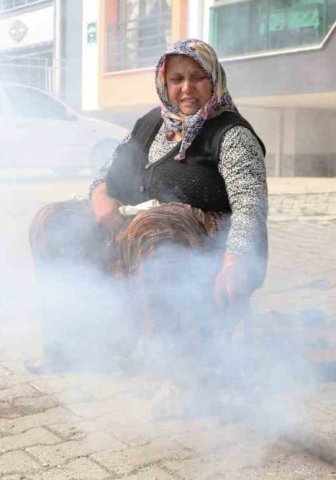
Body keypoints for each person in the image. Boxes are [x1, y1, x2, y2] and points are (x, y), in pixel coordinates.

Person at [29, 39, 267, 369]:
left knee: (151, 228)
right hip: (132, 226)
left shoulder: (230, 133)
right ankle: (71, 348)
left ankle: (169, 367)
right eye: (176, 79)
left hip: (198, 243)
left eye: (197, 77)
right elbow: (103, 174)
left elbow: (250, 205)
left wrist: (235, 262)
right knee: (52, 220)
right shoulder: (150, 123)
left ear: (214, 78)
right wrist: (101, 198)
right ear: (164, 83)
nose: (186, 88)